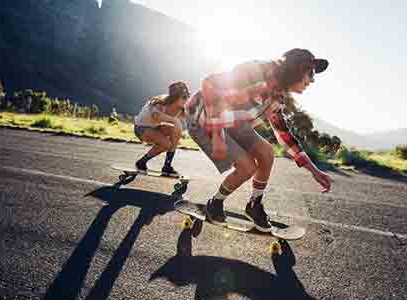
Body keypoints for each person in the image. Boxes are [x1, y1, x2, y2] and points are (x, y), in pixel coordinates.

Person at [184, 48, 341, 231]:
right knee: (247, 167)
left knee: (267, 152)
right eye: (310, 73)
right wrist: (217, 135)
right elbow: (209, 83)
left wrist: (314, 170)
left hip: (233, 121)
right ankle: (215, 203)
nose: (312, 80)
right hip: (202, 118)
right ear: (297, 68)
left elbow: (284, 136)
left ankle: (254, 205)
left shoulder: (278, 98)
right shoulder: (255, 71)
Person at [134, 81, 190, 177]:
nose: (186, 100)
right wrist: (175, 121)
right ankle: (141, 162)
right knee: (167, 143)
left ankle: (167, 166)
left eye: (187, 96)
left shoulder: (180, 108)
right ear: (175, 97)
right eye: (184, 97)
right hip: (141, 128)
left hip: (155, 128)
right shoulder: (160, 102)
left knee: (176, 130)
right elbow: (156, 116)